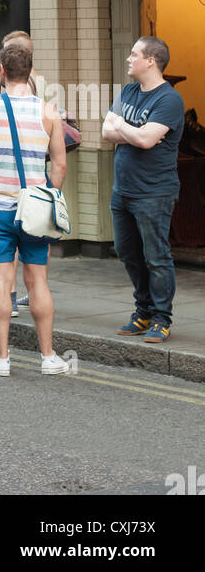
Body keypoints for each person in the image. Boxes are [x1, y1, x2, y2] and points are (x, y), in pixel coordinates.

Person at [0, 39, 70, 376]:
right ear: (30, 72)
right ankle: (49, 357)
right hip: (35, 210)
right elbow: (60, 165)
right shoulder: (49, 112)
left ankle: (2, 359)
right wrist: (49, 196)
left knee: (0, 279)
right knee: (38, 281)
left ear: (2, 71)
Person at [102, 36, 185, 344]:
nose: (128, 59)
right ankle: (143, 311)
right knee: (127, 252)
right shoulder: (128, 91)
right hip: (122, 190)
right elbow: (105, 131)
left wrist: (123, 126)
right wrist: (132, 131)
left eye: (134, 54)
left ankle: (162, 318)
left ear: (151, 60)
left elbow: (144, 140)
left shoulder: (169, 100)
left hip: (154, 192)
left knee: (156, 256)